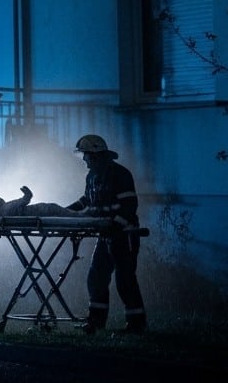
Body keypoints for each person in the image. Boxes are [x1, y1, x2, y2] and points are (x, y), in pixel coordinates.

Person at [67, 134, 147, 335]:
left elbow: (129, 206)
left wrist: (116, 225)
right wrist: (66, 211)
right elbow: (87, 200)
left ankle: (136, 324)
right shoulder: (92, 176)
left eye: (85, 156)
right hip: (105, 235)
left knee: (125, 280)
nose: (83, 160)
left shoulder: (120, 174)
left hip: (123, 234)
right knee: (97, 277)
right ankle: (96, 321)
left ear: (95, 155)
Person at [0, 186, 81, 217]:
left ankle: (77, 214)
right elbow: (21, 202)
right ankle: (82, 215)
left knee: (60, 211)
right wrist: (27, 195)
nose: (1, 199)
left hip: (37, 212)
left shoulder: (5, 212)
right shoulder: (6, 208)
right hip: (39, 211)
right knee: (56, 209)